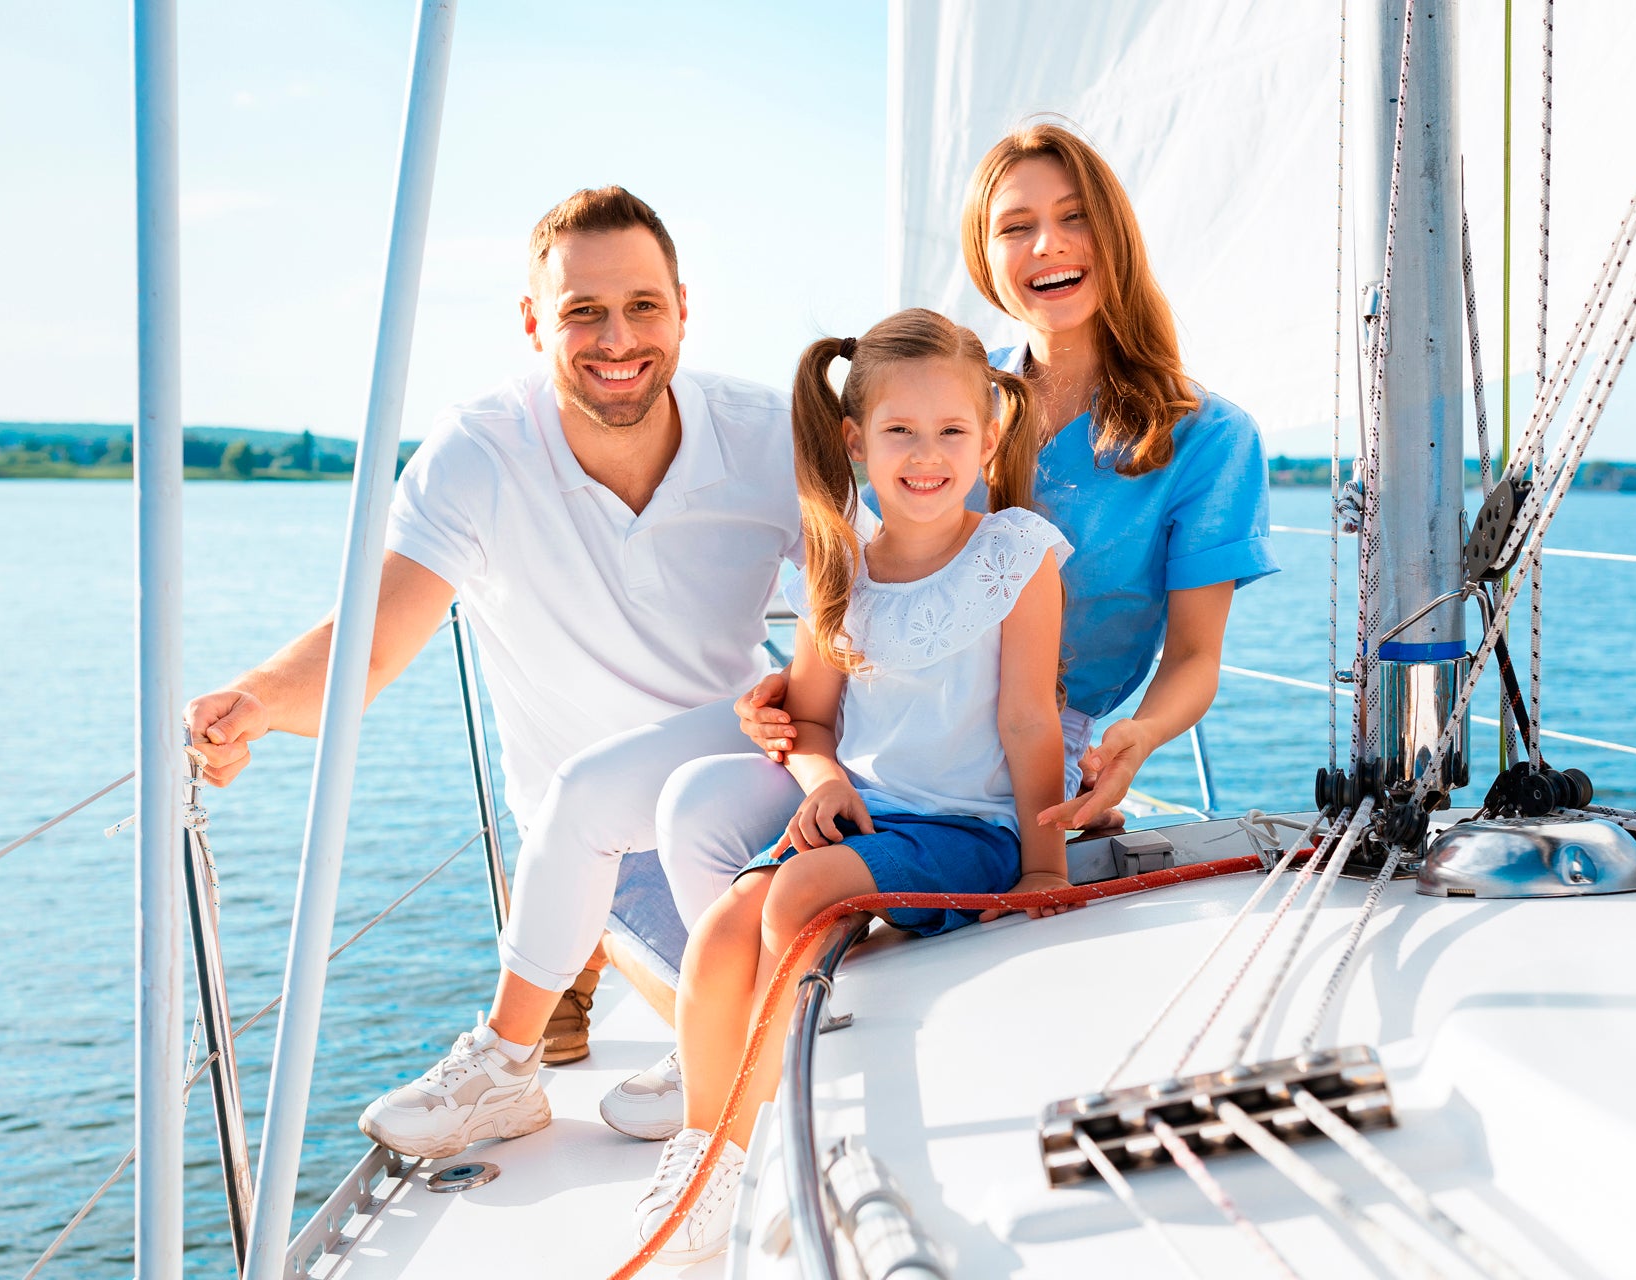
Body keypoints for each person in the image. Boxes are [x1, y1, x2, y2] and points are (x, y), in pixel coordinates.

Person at [643, 121, 1279, 1120]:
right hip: (884, 730)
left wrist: (1134, 743)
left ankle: (781, 1038)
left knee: (788, 880)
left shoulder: (1209, 436)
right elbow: (866, 547)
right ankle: (726, 1057)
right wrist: (802, 694)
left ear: (1115, 232)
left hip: (1025, 754)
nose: (1046, 248)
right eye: (1015, 226)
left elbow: (1195, 657)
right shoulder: (946, 385)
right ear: (983, 254)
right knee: (684, 808)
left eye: (1073, 220)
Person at [181, 186, 824, 1160]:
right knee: (738, 968)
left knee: (827, 965)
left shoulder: (769, 436)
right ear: (534, 322)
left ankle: (691, 1039)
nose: (617, 337)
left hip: (746, 790)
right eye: (582, 311)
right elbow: (375, 639)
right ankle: (532, 1062)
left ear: (683, 307)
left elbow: (882, 594)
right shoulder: (479, 455)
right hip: (599, 853)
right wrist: (259, 701)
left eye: (642, 305)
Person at [633, 309, 1073, 1264]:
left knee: (792, 894)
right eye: (900, 433)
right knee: (717, 931)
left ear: (990, 436)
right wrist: (821, 774)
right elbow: (814, 720)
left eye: (953, 431)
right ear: (854, 441)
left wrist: (1045, 870)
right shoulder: (840, 571)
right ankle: (708, 1148)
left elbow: (1030, 723)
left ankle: (771, 1153)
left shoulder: (1017, 556)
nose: (927, 455)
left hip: (970, 829)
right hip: (866, 817)